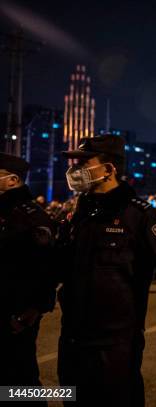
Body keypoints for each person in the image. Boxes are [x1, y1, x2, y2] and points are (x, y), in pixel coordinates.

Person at [56, 136, 156, 406]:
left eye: (85, 162)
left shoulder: (140, 216)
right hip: (72, 337)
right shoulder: (79, 215)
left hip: (115, 342)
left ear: (108, 169)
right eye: (76, 162)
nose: (75, 169)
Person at [0, 153, 56, 394]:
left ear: (12, 180)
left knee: (20, 382)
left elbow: (46, 267)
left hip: (15, 316)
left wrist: (30, 312)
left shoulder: (31, 216)